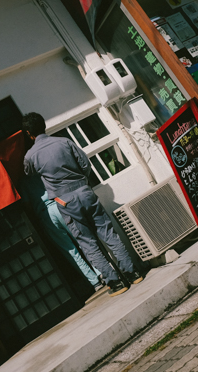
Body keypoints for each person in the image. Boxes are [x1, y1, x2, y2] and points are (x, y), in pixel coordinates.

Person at [22, 112, 143, 297]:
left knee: (88, 243)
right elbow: (85, 163)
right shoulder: (64, 142)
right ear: (44, 126)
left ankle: (116, 283)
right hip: (84, 191)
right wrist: (82, 183)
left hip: (64, 200)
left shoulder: (30, 155)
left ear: (29, 133)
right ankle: (133, 273)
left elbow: (28, 172)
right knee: (108, 233)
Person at [19, 175, 104, 291]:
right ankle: (101, 271)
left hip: (45, 214)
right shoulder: (42, 173)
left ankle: (94, 281)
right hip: (61, 205)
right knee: (82, 241)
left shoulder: (23, 182)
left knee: (70, 250)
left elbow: (27, 204)